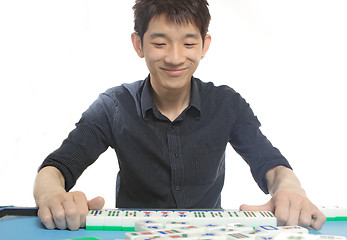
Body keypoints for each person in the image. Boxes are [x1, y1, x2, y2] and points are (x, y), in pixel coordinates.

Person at [33, 0, 326, 231]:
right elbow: (56, 167)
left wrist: (289, 188)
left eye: (188, 44)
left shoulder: (227, 104)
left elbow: (271, 166)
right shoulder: (113, 106)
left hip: (207, 233)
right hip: (132, 234)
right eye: (160, 44)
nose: (174, 57)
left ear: (204, 46)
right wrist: (52, 196)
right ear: (138, 44)